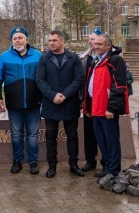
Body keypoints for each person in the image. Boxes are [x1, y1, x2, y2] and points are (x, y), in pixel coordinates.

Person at [0, 26, 42, 174]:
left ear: (26, 39)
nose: (17, 41)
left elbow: (44, 78)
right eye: (15, 38)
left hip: (34, 104)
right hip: (14, 105)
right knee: (16, 135)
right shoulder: (4, 57)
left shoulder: (38, 55)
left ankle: (33, 162)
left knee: (33, 135)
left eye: (20, 38)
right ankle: (17, 161)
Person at [36, 31, 85, 178]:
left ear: (62, 41)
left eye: (54, 40)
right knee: (50, 136)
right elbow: (40, 80)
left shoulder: (73, 58)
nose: (51, 43)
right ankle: (52, 166)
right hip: (51, 104)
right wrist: (52, 95)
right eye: (49, 40)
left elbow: (79, 79)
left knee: (72, 136)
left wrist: (65, 94)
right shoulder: (44, 59)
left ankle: (73, 164)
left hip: (70, 103)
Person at [83, 33, 128, 178]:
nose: (96, 47)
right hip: (96, 108)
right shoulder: (96, 60)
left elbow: (119, 86)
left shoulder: (115, 60)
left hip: (107, 109)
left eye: (99, 44)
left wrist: (111, 108)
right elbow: (91, 86)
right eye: (95, 44)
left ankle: (113, 170)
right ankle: (107, 167)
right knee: (101, 141)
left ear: (108, 45)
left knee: (111, 141)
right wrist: (88, 107)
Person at [78, 28, 103, 172]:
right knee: (89, 133)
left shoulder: (111, 58)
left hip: (104, 104)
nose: (90, 41)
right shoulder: (85, 59)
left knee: (105, 133)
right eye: (89, 39)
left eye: (92, 39)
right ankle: (90, 161)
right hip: (88, 103)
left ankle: (107, 162)